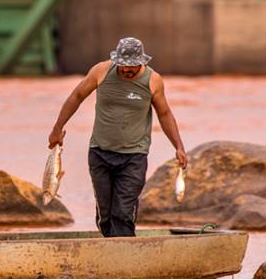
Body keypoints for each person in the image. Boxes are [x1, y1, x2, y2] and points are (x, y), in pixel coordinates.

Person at [48, 37, 187, 237]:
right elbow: (76, 96)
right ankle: (110, 251)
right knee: (105, 214)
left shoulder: (153, 80)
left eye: (133, 66)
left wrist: (179, 147)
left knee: (122, 212)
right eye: (123, 66)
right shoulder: (101, 71)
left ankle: (125, 256)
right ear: (117, 61)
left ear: (142, 62)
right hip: (100, 153)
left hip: (134, 156)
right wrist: (57, 128)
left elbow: (164, 114)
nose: (127, 70)